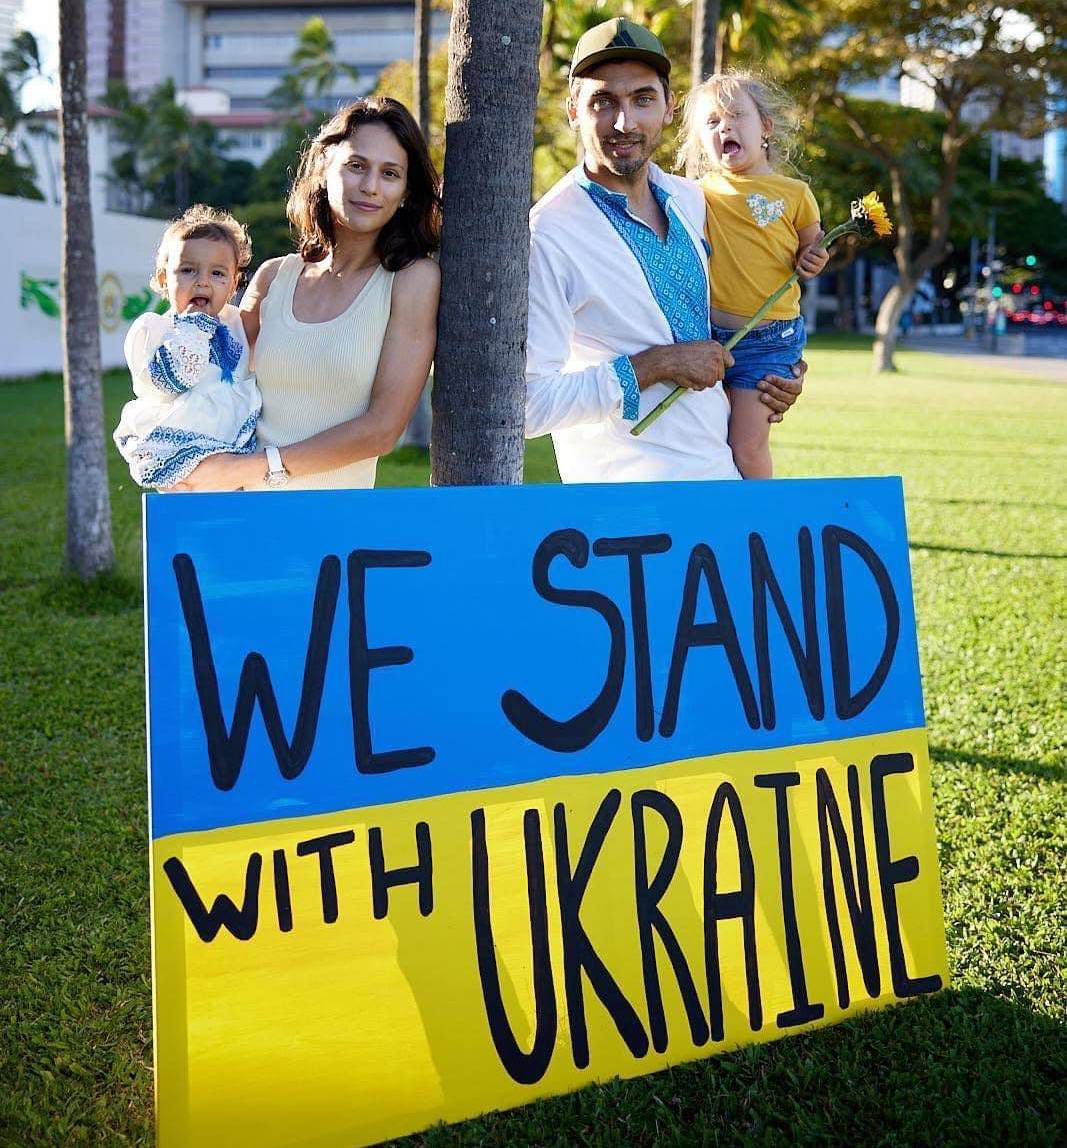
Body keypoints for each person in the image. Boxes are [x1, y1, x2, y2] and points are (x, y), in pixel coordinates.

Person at [525, 18, 805, 484]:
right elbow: (530, 404)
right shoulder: (548, 234)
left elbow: (747, 298)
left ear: (670, 107)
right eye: (602, 101)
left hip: (720, 479)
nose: (624, 122)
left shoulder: (694, 201)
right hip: (626, 507)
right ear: (573, 110)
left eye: (642, 99)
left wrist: (778, 369)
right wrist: (657, 365)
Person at [172, 96, 441, 492]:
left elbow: (383, 429)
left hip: (330, 532)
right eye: (356, 166)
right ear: (323, 168)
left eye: (390, 173)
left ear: (405, 190)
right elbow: (211, 376)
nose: (370, 187)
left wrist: (255, 468)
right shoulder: (273, 276)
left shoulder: (412, 280)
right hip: (232, 508)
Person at [678, 71, 828, 478]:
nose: (724, 126)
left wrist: (813, 259)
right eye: (711, 122)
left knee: (745, 446)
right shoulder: (697, 192)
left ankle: (765, 518)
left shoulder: (795, 193)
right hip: (708, 339)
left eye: (736, 116)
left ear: (765, 126)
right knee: (708, 447)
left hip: (767, 340)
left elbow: (813, 249)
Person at [113, 205, 261, 488]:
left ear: (233, 285)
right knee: (186, 516)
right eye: (188, 270)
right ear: (163, 279)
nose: (203, 281)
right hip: (181, 442)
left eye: (218, 274)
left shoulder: (233, 322)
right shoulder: (153, 329)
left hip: (233, 450)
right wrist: (193, 331)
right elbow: (169, 381)